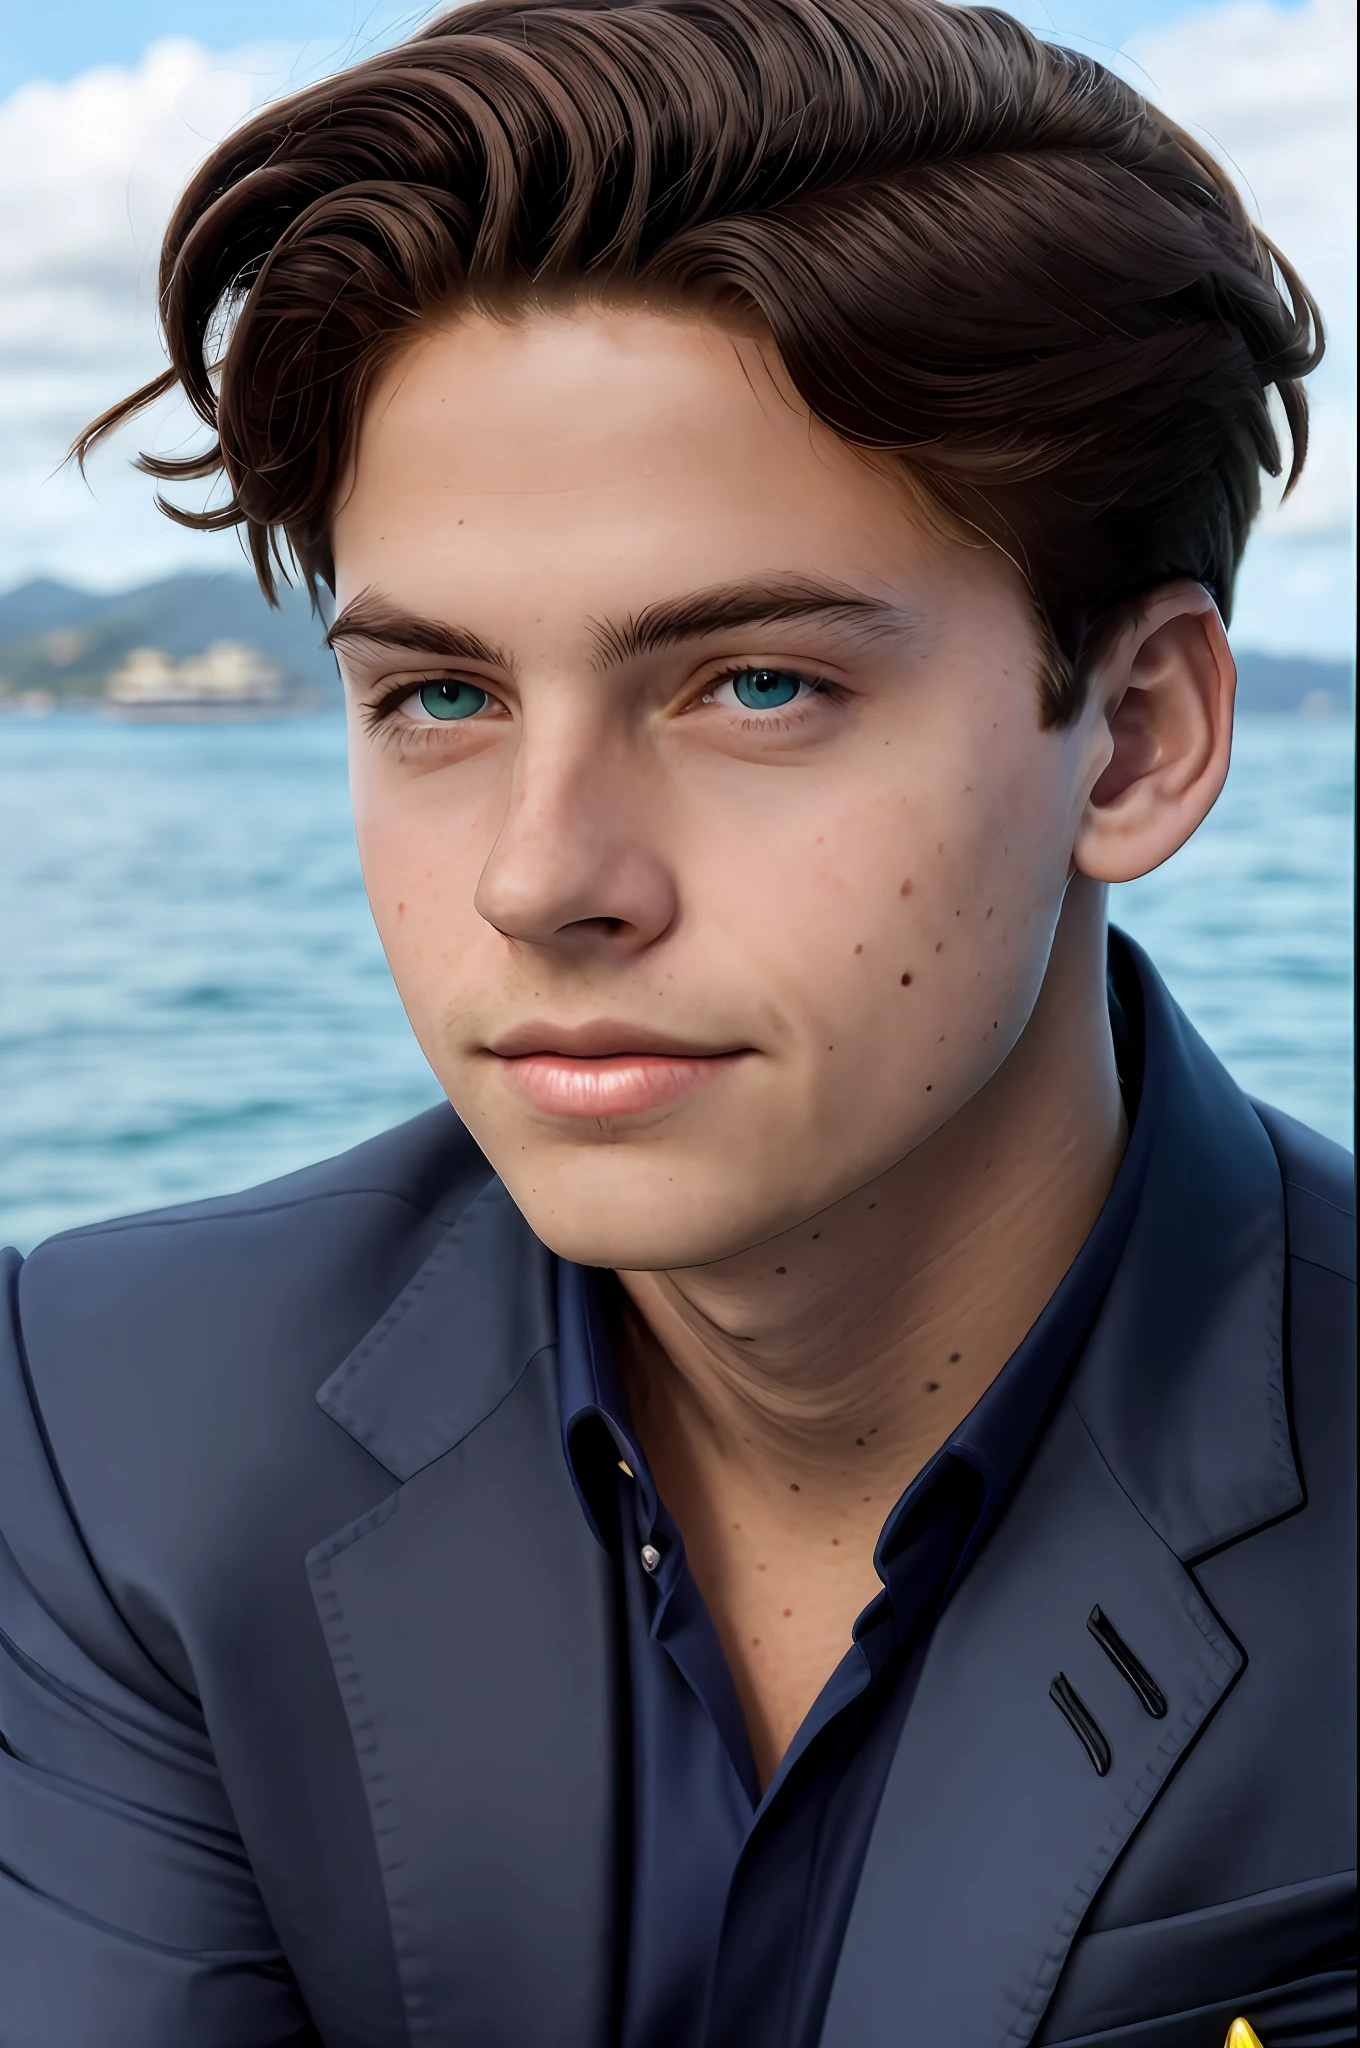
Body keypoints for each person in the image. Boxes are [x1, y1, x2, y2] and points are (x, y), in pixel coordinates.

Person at [0, 2, 1353, 2043]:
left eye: (753, 686)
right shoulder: (110, 1427)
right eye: (438, 698)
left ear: (1134, 739)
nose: (540, 879)